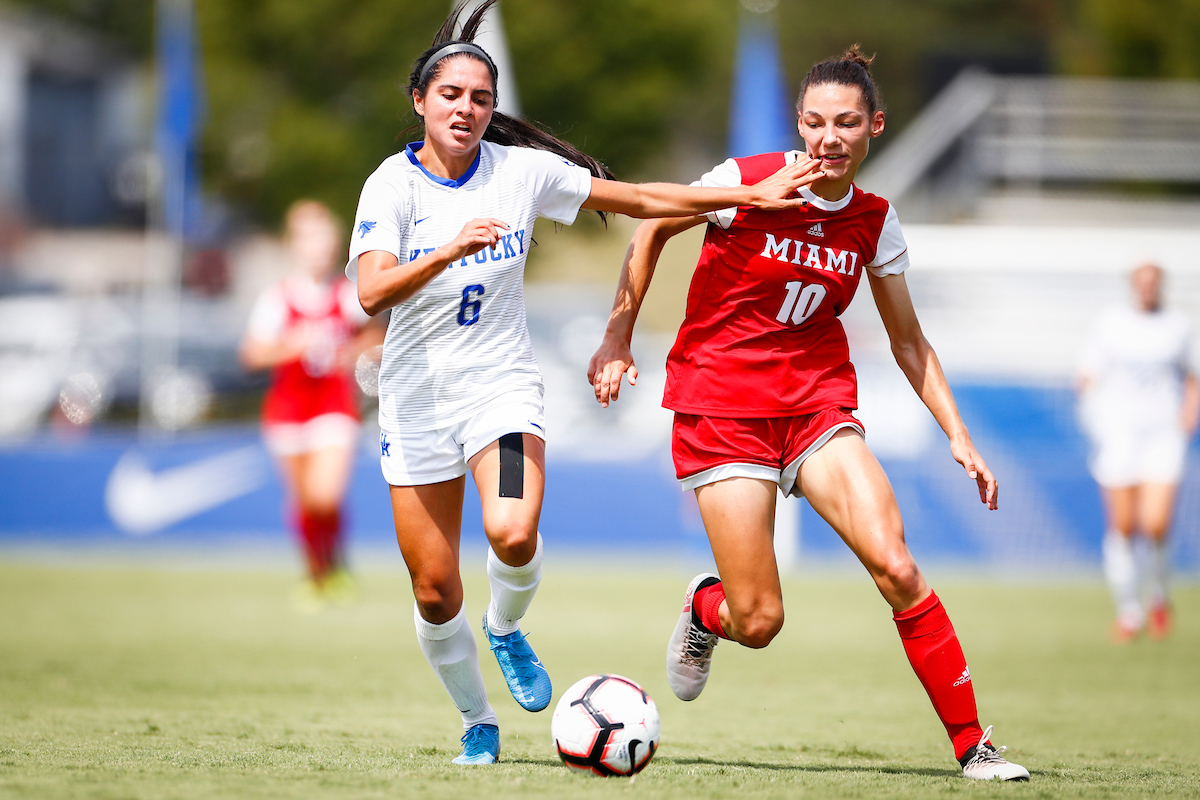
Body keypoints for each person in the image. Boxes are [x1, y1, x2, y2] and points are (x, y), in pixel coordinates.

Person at [346, 0, 823, 767]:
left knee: (512, 531)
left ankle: (505, 628)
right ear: (420, 103)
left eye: (480, 98)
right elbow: (372, 293)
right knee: (434, 591)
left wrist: (742, 196)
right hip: (415, 400)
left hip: (499, 389)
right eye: (451, 96)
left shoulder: (521, 172)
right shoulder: (390, 189)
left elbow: (639, 199)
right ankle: (477, 718)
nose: (467, 109)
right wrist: (446, 251)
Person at [588, 46, 1029, 781]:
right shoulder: (748, 180)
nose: (829, 137)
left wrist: (959, 435)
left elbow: (909, 342)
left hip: (817, 407)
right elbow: (651, 225)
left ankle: (973, 746)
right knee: (758, 622)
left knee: (896, 563)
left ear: (874, 127)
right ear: (799, 123)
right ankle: (707, 611)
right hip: (722, 406)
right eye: (816, 122)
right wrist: (617, 334)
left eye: (846, 123)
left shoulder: (875, 222)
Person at [241, 200, 384, 611]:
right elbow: (251, 354)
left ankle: (333, 564)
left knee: (325, 495)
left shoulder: (347, 295)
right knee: (304, 503)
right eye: (310, 239)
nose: (319, 248)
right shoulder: (278, 298)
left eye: (325, 239)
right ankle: (319, 573)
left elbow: (377, 335)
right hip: (287, 411)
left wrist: (355, 349)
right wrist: (292, 347)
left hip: (333, 406)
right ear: (294, 245)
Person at [1078, 262, 1198, 642]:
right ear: (1132, 286)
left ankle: (1159, 595)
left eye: (1154, 283)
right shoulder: (1110, 323)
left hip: (1162, 434)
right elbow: (1087, 374)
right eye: (1141, 283)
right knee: (1124, 526)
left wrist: (1186, 420)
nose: (1147, 289)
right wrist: (1092, 412)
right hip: (1119, 435)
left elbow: (1192, 376)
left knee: (1157, 523)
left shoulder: (1178, 326)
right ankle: (1129, 610)